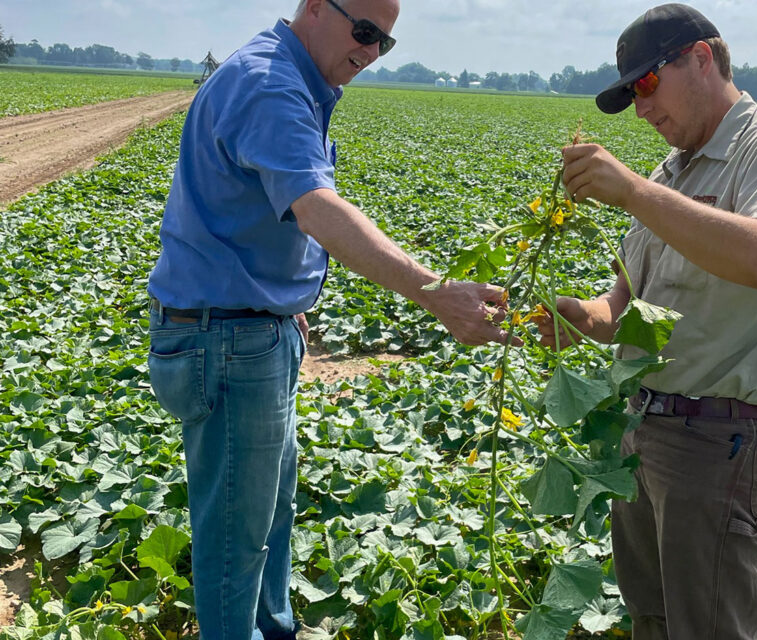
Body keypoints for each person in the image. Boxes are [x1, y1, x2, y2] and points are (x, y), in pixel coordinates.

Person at [146, 0, 512, 637]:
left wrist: (282, 308)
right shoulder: (270, 84)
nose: (369, 52)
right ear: (316, 6)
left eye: (384, 44)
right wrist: (434, 290)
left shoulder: (293, 79)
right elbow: (316, 206)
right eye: (364, 31)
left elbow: (263, 210)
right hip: (228, 340)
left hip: (251, 330)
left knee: (266, 517)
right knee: (237, 537)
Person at [535, 4, 757, 639]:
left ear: (701, 58)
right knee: (653, 619)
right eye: (629, 96)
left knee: (709, 629)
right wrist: (573, 317)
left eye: (645, 84)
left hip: (715, 444)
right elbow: (620, 312)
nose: (641, 109)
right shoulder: (670, 174)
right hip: (639, 434)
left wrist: (637, 193)